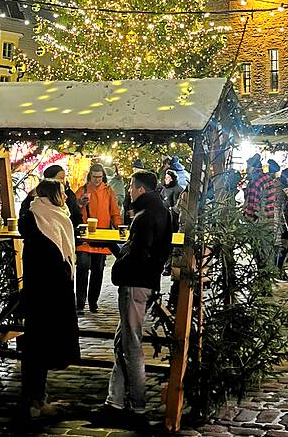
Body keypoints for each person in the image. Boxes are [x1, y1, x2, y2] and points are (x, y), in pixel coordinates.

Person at [104, 170, 172, 426]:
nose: (130, 191)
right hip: (146, 281)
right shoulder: (162, 210)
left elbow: (141, 254)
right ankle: (115, 400)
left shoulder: (144, 216)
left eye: (132, 186)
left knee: (131, 344)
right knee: (122, 340)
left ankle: (138, 406)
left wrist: (120, 266)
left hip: (136, 282)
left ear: (140, 189)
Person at [18, 178, 80, 419]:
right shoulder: (53, 218)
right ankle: (35, 400)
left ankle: (33, 398)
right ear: (54, 195)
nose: (66, 196)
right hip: (52, 293)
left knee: (34, 344)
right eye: (63, 192)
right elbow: (60, 256)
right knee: (41, 345)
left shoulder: (34, 214)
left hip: (36, 291)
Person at [75, 163, 121, 314]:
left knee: (98, 270)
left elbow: (114, 212)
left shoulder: (108, 191)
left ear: (103, 177)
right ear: (90, 176)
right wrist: (80, 204)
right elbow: (73, 211)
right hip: (85, 237)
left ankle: (93, 301)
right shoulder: (82, 190)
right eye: (94, 177)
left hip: (102, 237)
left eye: (99, 177)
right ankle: (80, 303)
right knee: (82, 267)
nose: (97, 180)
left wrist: (118, 227)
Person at [43, 164, 83, 231]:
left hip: (68, 233)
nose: (63, 181)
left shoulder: (69, 194)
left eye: (64, 178)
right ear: (50, 179)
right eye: (60, 178)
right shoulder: (38, 195)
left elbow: (77, 215)